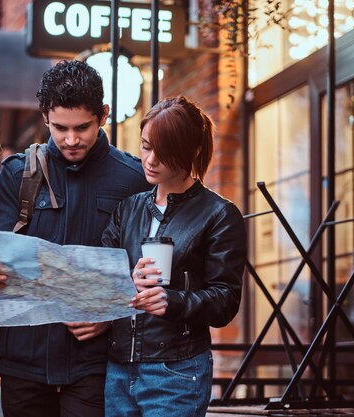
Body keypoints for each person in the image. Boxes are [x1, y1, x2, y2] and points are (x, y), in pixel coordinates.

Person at [0, 60, 150, 417]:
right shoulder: (17, 174)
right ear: (45, 117)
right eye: (59, 128)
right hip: (23, 364)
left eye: (82, 128)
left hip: (95, 364)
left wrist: (110, 316)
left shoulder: (133, 180)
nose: (70, 139)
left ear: (104, 115)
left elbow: (149, 276)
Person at [101, 96, 247, 416]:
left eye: (163, 151)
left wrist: (173, 301)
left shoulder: (218, 214)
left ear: (193, 150)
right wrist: (128, 280)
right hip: (118, 369)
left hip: (176, 372)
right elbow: (101, 279)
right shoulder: (128, 209)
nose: (150, 160)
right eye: (145, 146)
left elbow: (225, 301)